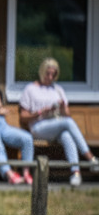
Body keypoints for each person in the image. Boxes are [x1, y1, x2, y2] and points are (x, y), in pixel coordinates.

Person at [19, 58, 99, 187]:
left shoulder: (57, 89)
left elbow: (67, 114)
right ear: (42, 72)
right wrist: (40, 112)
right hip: (38, 127)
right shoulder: (30, 89)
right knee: (67, 123)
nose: (50, 77)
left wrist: (61, 108)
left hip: (56, 126)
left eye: (53, 74)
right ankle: (91, 159)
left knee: (66, 135)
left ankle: (75, 173)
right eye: (48, 73)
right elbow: (23, 116)